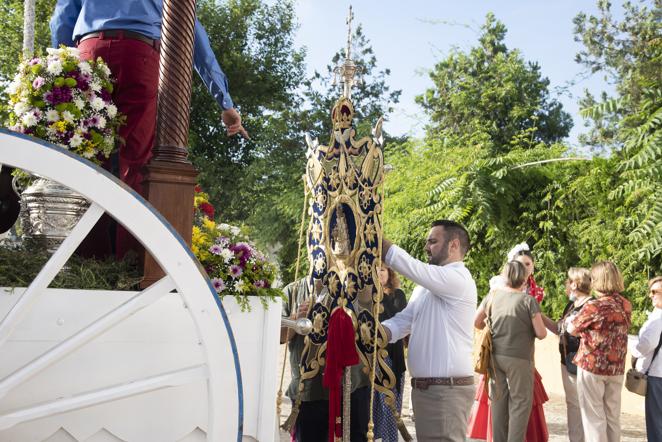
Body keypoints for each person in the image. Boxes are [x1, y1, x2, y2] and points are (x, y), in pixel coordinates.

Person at [50, 0, 248, 257]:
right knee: (135, 160)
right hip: (139, 53)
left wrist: (61, 67)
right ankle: (127, 260)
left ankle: (86, 257)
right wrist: (225, 101)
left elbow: (63, 16)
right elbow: (193, 33)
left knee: (88, 154)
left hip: (89, 51)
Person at [380, 220, 477, 442]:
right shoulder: (427, 285)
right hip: (430, 391)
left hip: (445, 393)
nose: (426, 247)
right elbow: (403, 321)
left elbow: (411, 267)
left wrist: (374, 238)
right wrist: (374, 333)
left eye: (433, 241)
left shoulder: (458, 278)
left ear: (453, 245)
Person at [467, 242, 549, 442]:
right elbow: (541, 333)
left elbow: (476, 322)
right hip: (520, 359)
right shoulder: (528, 301)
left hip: (495, 357)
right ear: (523, 277)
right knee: (520, 405)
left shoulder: (493, 296)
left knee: (498, 403)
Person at [280, 278, 370, 442]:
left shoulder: (354, 288)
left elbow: (371, 330)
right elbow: (278, 336)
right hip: (308, 389)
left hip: (352, 387)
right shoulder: (292, 291)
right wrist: (296, 318)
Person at [567, 261, 632, 442]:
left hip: (592, 366)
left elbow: (571, 329)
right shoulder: (626, 304)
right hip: (616, 367)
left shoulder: (594, 306)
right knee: (613, 416)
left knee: (593, 418)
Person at [541, 267, 591, 442]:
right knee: (573, 405)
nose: (565, 285)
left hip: (581, 364)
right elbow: (558, 328)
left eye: (568, 281)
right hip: (567, 361)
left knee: (583, 407)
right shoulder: (571, 305)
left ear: (575, 284)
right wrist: (538, 313)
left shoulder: (589, 307)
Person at [373, 265, 408, 442]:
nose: (379, 273)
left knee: (389, 405)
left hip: (391, 357)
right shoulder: (368, 296)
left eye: (383, 270)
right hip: (372, 359)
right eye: (376, 270)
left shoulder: (398, 295)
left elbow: (396, 318)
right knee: (372, 407)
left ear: (390, 273)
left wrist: (380, 296)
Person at [629, 276, 662, 442]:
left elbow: (647, 343)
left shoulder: (658, 318)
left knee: (656, 424)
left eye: (655, 292)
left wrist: (632, 349)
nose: (651, 295)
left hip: (657, 376)